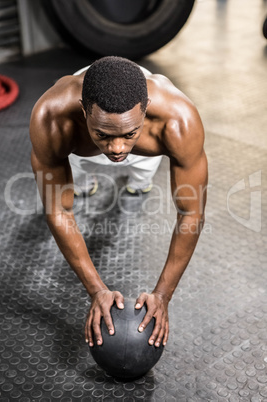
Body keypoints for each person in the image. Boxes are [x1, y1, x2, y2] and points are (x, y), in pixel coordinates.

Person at [30, 56, 208, 349]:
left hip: (142, 144)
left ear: (146, 110)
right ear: (84, 111)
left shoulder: (178, 121)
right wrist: (96, 290)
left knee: (139, 179)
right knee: (74, 185)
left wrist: (162, 295)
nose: (116, 149)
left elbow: (191, 212)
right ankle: (88, 168)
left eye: (128, 135)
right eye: (105, 136)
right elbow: (58, 209)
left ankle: (137, 175)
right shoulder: (52, 117)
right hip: (80, 144)